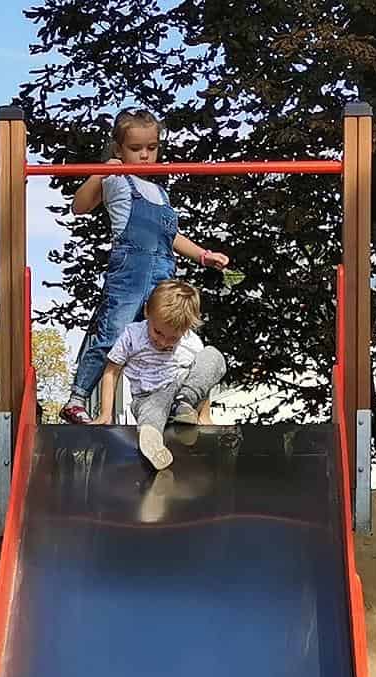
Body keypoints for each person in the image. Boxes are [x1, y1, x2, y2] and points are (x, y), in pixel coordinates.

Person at [59, 106, 229, 425]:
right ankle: (78, 398)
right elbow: (79, 206)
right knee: (113, 332)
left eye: (152, 147)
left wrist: (204, 256)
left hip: (163, 272)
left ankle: (178, 402)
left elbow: (171, 236)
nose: (145, 155)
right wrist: (99, 172)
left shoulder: (161, 193)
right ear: (119, 150)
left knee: (172, 334)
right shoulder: (116, 179)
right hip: (130, 273)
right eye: (135, 148)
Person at [99, 279, 228, 471]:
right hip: (149, 397)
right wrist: (105, 413)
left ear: (185, 330)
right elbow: (112, 371)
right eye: (158, 332)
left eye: (173, 338)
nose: (163, 342)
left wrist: (205, 415)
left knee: (212, 356)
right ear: (146, 312)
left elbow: (202, 380)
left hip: (184, 392)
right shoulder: (132, 336)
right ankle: (152, 440)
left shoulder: (191, 342)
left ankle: (183, 411)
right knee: (152, 412)